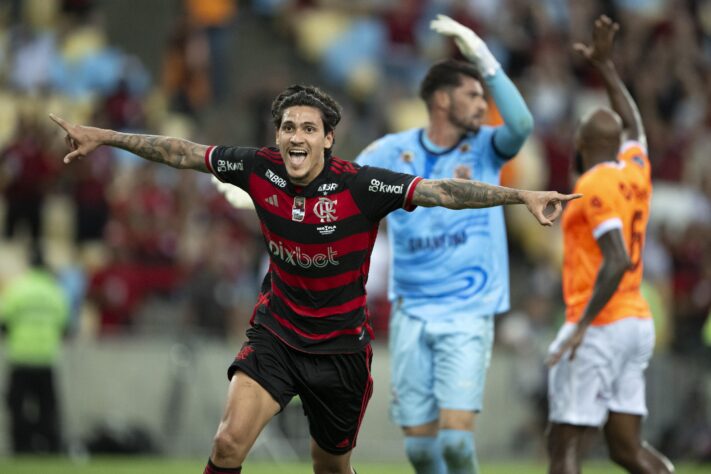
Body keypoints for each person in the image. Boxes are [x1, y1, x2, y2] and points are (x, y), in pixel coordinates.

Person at [50, 83, 577, 474]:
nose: (295, 137)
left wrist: (521, 196)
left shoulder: (363, 186)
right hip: (276, 332)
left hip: (341, 350)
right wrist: (104, 136)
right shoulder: (259, 169)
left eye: (308, 128)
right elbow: (182, 152)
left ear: (328, 138)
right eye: (287, 127)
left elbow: (444, 191)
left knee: (329, 467)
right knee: (228, 444)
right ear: (277, 137)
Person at [354, 14, 533, 474]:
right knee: (419, 451)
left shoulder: (488, 148)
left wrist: (482, 57)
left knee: (455, 444)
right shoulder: (388, 152)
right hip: (412, 310)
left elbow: (523, 123)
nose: (481, 105)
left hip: (468, 310)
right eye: (472, 95)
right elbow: (337, 189)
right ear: (441, 99)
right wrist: (257, 191)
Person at [545, 15, 674, 474]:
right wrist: (606, 67)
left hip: (600, 322)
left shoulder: (594, 182)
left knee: (564, 443)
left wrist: (581, 326)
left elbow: (615, 258)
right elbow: (635, 125)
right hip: (635, 322)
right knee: (625, 450)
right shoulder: (634, 170)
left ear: (581, 143)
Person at [1, 247, 69, 454]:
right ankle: (48, 447)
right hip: (46, 359)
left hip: (21, 357)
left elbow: (3, 322)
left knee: (17, 407)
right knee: (47, 408)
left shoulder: (17, 288)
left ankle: (22, 447)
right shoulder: (55, 290)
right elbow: (65, 326)